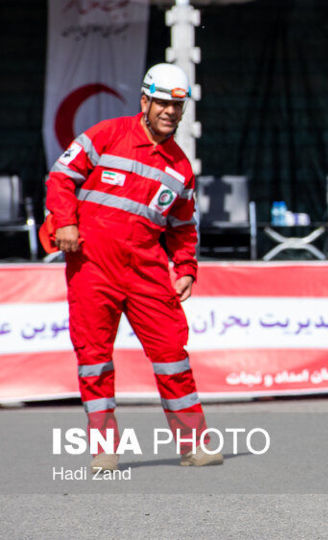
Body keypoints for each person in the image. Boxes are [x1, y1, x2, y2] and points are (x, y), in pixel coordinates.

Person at [45, 63, 222, 471]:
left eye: (177, 107)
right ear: (145, 101)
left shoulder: (180, 168)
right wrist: (67, 222)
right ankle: (104, 447)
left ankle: (194, 445)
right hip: (92, 267)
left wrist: (186, 269)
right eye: (162, 103)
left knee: (172, 357)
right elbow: (61, 177)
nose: (169, 113)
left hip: (146, 272)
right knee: (94, 360)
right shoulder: (107, 135)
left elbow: (182, 227)